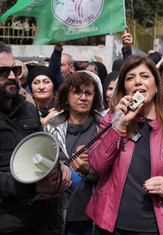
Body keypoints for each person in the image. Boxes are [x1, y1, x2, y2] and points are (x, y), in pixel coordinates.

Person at [85, 55, 163, 235]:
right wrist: (120, 125)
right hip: (111, 225)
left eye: (145, 76)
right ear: (125, 88)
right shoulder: (112, 119)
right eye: (130, 78)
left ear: (156, 85)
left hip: (158, 227)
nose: (138, 82)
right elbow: (97, 164)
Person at [0, 41, 71, 234]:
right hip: (8, 220)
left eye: (15, 69)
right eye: (3, 72)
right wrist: (33, 188)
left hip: (42, 218)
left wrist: (58, 168)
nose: (13, 76)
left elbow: (40, 151)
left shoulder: (28, 108)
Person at [44, 71, 103, 235]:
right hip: (59, 214)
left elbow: (114, 172)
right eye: (77, 92)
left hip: (93, 216)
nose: (83, 98)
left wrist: (89, 169)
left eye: (88, 93)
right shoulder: (52, 127)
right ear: (66, 96)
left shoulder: (104, 128)